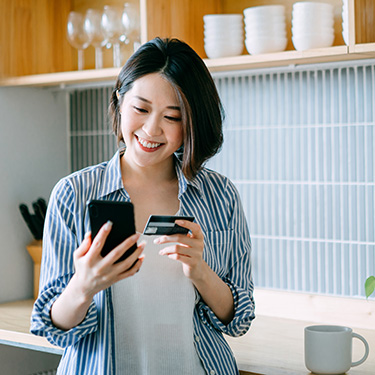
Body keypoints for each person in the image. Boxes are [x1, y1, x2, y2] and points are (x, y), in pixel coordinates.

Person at [31, 37, 255, 375]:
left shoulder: (219, 195)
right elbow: (52, 328)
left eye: (173, 116)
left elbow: (238, 320)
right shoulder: (74, 194)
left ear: (191, 123)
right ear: (120, 101)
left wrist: (201, 272)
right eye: (141, 108)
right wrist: (84, 284)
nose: (152, 129)